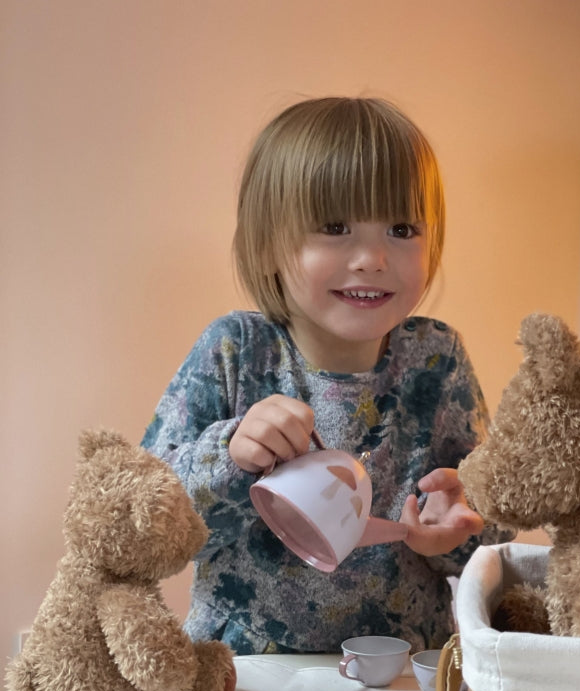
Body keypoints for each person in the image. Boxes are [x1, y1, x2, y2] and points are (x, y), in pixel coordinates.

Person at [142, 96, 511, 655]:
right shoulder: (235, 351)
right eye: (335, 227)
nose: (372, 258)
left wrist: (459, 528)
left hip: (403, 674)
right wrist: (231, 454)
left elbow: (492, 526)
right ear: (268, 244)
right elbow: (145, 525)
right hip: (248, 676)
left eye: (402, 228)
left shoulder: (436, 357)